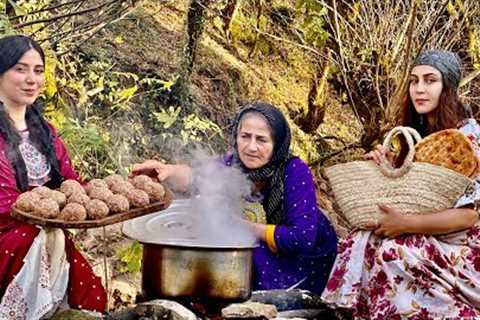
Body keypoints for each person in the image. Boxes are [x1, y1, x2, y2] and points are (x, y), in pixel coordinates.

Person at [321, 50, 480, 319]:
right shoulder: (415, 136)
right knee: (363, 240)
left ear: (448, 88)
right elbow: (407, 195)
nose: (419, 89)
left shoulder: (468, 138)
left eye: (430, 81)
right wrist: (382, 168)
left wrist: (404, 224)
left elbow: (470, 214)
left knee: (393, 251)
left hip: (463, 247)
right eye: (414, 81)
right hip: (428, 234)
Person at [133, 102, 338, 294]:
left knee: (239, 248)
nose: (251, 147)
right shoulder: (233, 163)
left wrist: (236, 225)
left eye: (261, 140)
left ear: (277, 143)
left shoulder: (294, 171)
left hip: (305, 261)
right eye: (245, 136)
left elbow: (300, 239)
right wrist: (167, 170)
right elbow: (197, 176)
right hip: (261, 245)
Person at [0, 35, 106, 318]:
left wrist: (102, 193)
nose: (31, 79)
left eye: (37, 70)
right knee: (31, 237)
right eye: (20, 69)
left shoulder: (44, 131)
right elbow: (4, 201)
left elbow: (71, 184)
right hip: (9, 237)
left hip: (46, 231)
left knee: (91, 297)